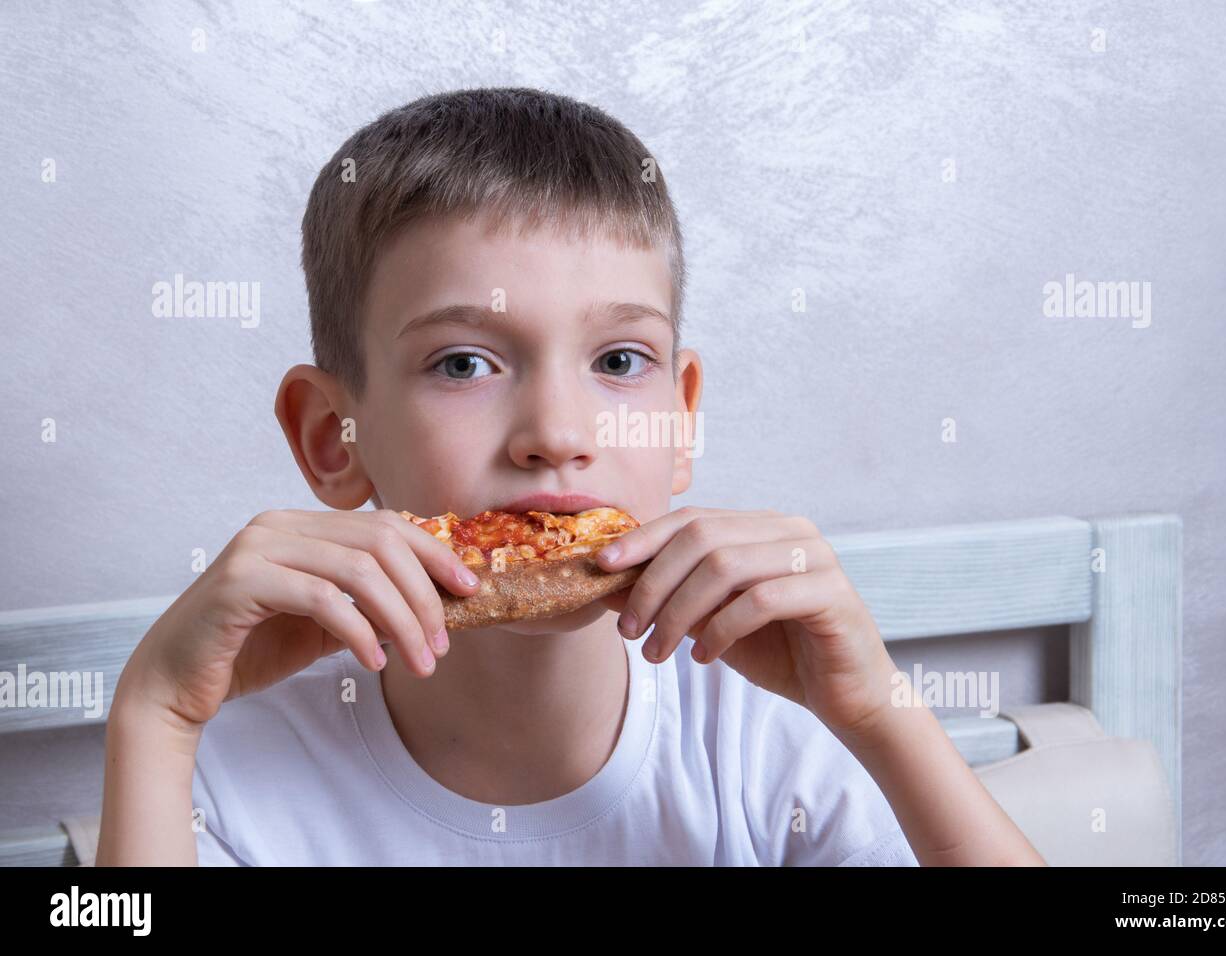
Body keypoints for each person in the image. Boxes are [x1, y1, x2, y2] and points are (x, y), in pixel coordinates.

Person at [96, 87, 1044, 866]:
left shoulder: (778, 740)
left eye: (621, 362)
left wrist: (881, 714)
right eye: (464, 363)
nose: (556, 435)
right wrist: (153, 716)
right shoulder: (219, 777)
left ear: (683, 418)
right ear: (332, 437)